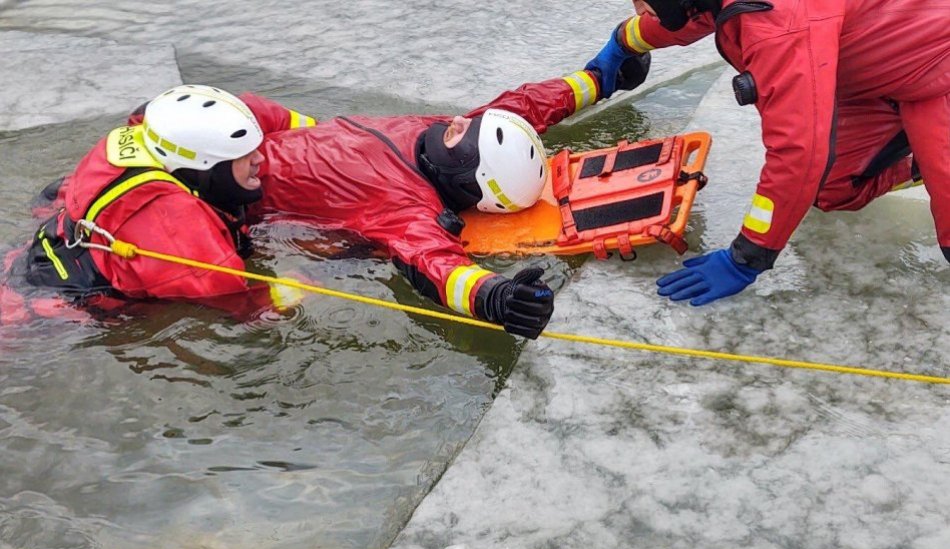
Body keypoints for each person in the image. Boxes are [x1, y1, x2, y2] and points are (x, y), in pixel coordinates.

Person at [236, 54, 651, 339]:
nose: (455, 121)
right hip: (251, 145)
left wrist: (497, 299)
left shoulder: (405, 206)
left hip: (228, 194)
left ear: (470, 181)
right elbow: (523, 107)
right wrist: (599, 78)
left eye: (461, 134)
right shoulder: (453, 138)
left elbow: (438, 266)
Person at [584, 0, 950, 306]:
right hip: (881, 73)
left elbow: (799, 153)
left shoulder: (778, 25)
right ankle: (916, 160)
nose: (639, 5)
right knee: (831, 187)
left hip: (938, 72)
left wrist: (746, 257)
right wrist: (621, 45)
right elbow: (686, 15)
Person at [3, 84, 318, 325]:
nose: (260, 159)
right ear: (206, 165)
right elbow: (238, 305)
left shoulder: (152, 136)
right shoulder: (176, 228)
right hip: (48, 308)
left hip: (37, 255)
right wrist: (309, 279)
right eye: (245, 155)